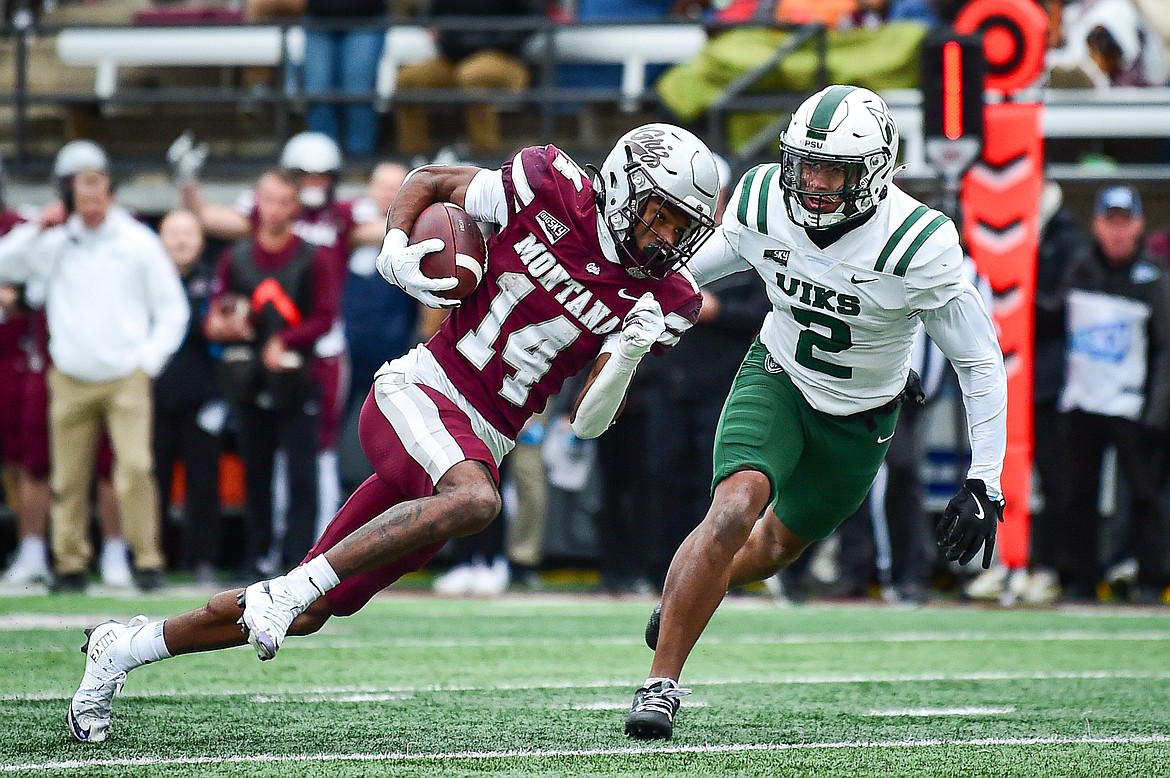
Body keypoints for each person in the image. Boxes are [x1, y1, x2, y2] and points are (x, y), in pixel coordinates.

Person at [65, 124, 719, 744]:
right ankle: (283, 590)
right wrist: (395, 248)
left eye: (681, 227)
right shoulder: (551, 184)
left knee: (317, 608)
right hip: (422, 391)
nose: (667, 238)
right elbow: (431, 180)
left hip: (478, 438)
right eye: (660, 215)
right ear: (626, 187)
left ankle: (124, 647)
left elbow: (591, 421)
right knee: (476, 502)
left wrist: (629, 351)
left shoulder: (664, 294)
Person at [624, 86, 1008, 740]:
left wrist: (986, 480)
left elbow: (979, 360)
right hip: (777, 375)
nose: (815, 184)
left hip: (861, 420)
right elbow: (693, 274)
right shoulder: (764, 198)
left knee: (771, 548)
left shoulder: (917, 240)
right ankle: (661, 685)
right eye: (806, 164)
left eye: (834, 170)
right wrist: (639, 304)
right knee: (735, 507)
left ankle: (684, 596)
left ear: (877, 171)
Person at [0, 140, 189, 594]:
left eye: (95, 186)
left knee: (136, 469)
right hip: (69, 374)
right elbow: (6, 262)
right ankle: (69, 563)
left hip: (125, 374)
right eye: (78, 188)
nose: (88, 198)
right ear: (66, 194)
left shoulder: (137, 242)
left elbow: (172, 310)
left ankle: (147, 560)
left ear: (111, 190)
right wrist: (41, 226)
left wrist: (149, 361)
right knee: (68, 475)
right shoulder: (54, 241)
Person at [205, 169, 339, 578]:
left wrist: (287, 340)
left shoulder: (314, 256)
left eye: (282, 201)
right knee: (255, 471)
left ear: (295, 208)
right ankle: (256, 556)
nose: (273, 209)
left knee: (302, 472)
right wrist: (227, 324)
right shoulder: (238, 254)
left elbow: (325, 317)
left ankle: (298, 558)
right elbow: (218, 310)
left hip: (297, 376)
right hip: (249, 376)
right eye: (267, 199)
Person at [1054, 185, 1170, 602]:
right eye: (1110, 222)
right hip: (1083, 402)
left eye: (1125, 222)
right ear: (1097, 224)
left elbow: (1165, 347)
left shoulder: (1153, 276)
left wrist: (1156, 412)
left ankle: (1152, 580)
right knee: (1078, 496)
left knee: (1144, 497)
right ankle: (1082, 580)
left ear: (1139, 225)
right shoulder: (1080, 267)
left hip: (1131, 405)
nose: (1117, 232)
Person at [152, 208, 224, 585]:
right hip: (154, 396)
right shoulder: (146, 280)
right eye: (172, 232)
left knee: (203, 483)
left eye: (189, 233)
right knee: (152, 479)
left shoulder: (214, 280)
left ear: (201, 240)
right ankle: (151, 558)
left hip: (203, 398)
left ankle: (203, 560)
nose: (180, 241)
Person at [395, 0, 546, 156]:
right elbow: (429, 16)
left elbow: (533, 20)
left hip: (505, 59)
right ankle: (414, 158)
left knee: (472, 75)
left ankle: (484, 157)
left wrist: (482, 39)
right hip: (454, 59)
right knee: (408, 79)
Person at [302, 1, 387, 157]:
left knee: (358, 93)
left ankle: (360, 160)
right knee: (317, 92)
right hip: (318, 17)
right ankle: (320, 160)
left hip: (366, 16)